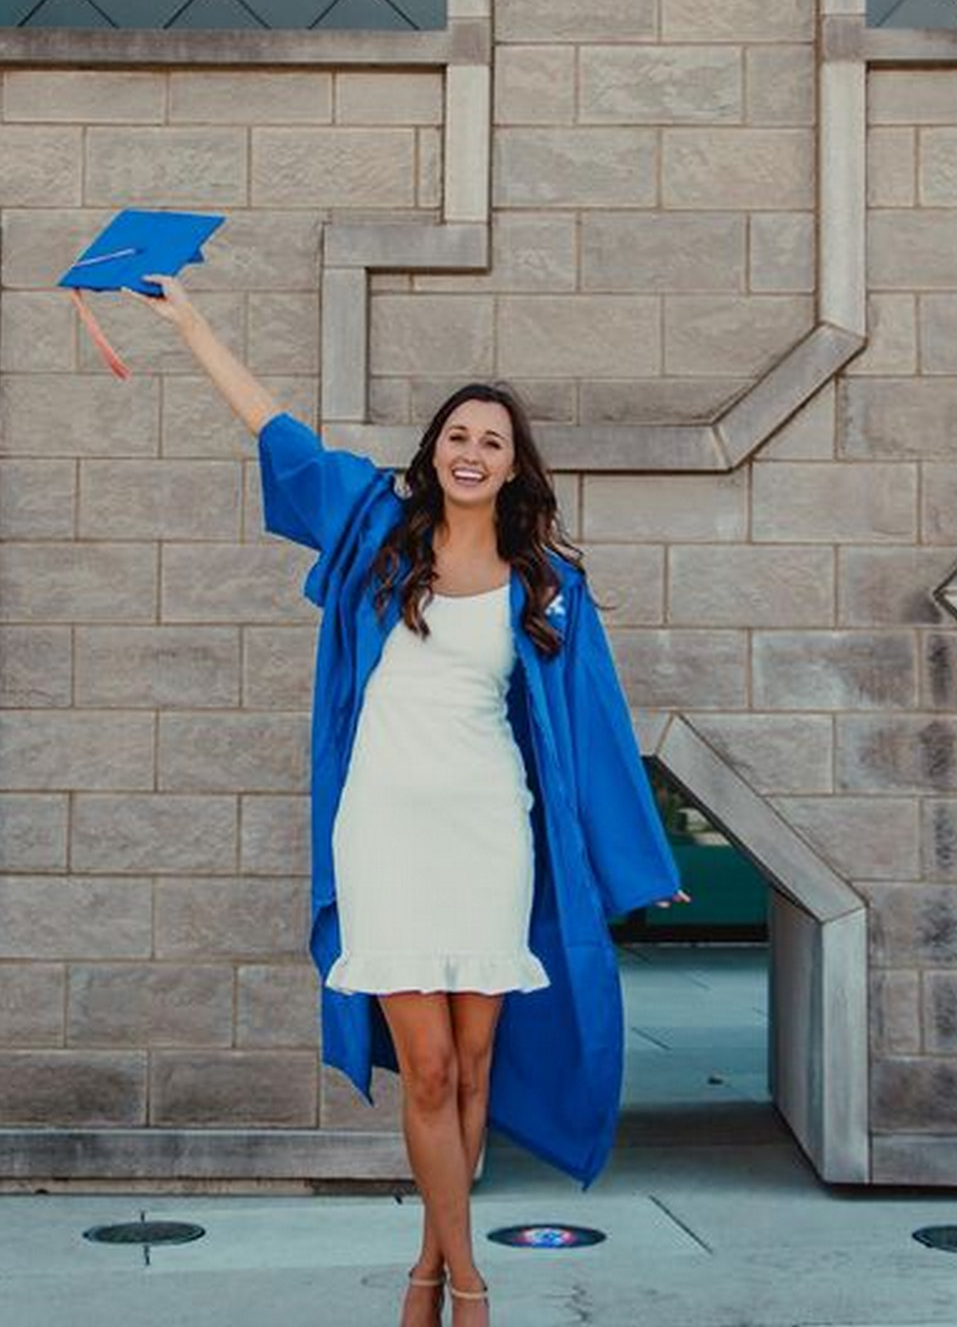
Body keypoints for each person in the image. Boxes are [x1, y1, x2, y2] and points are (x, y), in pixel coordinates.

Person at [128, 276, 689, 1327]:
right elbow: (280, 435)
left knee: (476, 1067)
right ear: (434, 450)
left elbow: (598, 737)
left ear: (514, 468)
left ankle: (429, 1268)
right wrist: (196, 324)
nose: (471, 450)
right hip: (383, 832)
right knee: (426, 1071)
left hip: (487, 836)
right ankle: (471, 1284)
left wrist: (635, 867)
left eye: (492, 440)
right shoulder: (376, 534)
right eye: (457, 434)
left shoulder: (545, 585)